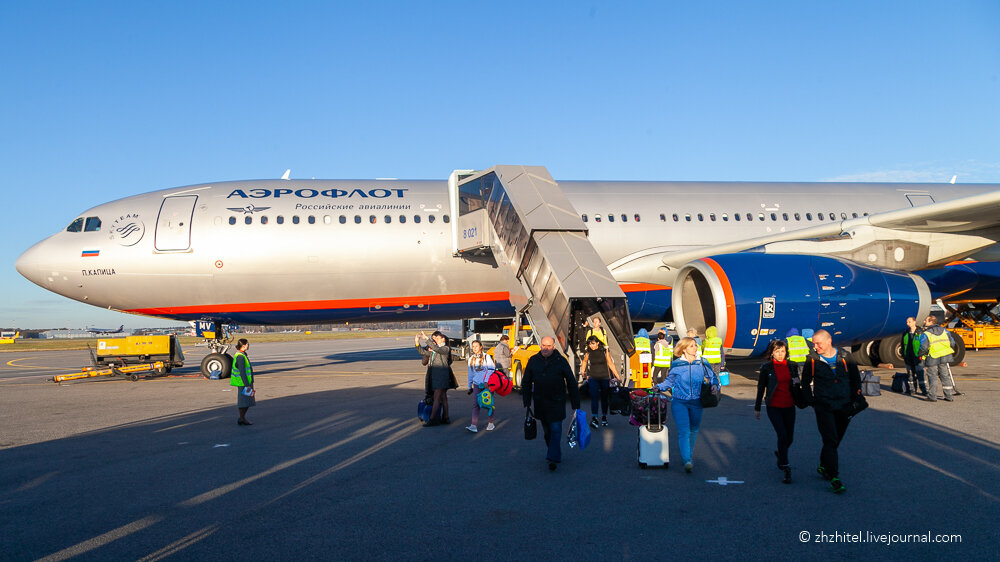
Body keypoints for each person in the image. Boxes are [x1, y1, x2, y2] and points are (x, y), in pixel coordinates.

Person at [800, 329, 861, 494]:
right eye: (813, 343)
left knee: (834, 440)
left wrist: (855, 399)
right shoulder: (812, 360)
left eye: (818, 343)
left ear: (829, 341)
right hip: (823, 406)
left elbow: (855, 379)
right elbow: (805, 383)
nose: (815, 346)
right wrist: (811, 401)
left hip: (844, 405)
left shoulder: (846, 357)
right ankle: (834, 477)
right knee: (830, 439)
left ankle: (823, 464)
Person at [654, 337, 720, 473]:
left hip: (697, 402)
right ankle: (687, 460)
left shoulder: (702, 362)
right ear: (684, 349)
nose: (695, 348)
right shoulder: (677, 364)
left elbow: (713, 377)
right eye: (691, 346)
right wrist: (658, 387)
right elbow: (669, 382)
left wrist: (714, 385)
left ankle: (688, 456)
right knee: (684, 431)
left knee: (694, 430)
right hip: (679, 402)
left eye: (695, 345)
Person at [522, 336, 581, 471]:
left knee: (555, 429)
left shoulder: (561, 361)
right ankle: (555, 452)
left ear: (554, 347)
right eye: (543, 345)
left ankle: (552, 457)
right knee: (547, 432)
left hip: (557, 402)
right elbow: (526, 382)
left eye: (549, 346)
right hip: (540, 402)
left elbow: (571, 382)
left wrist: (575, 404)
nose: (546, 348)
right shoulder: (533, 360)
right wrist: (527, 402)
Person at [755, 340, 800, 484]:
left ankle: (781, 453)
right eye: (777, 351)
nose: (780, 355)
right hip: (773, 405)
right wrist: (757, 407)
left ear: (786, 352)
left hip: (789, 405)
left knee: (790, 438)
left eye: (782, 351)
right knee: (782, 434)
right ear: (772, 353)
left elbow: (798, 384)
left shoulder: (792, 366)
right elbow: (761, 387)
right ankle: (786, 467)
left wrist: (797, 383)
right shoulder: (767, 368)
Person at [579, 335, 621, 429]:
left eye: (593, 343)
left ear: (597, 343)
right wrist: (583, 371)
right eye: (590, 344)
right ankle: (594, 417)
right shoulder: (588, 352)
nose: (591, 346)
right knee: (594, 398)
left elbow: (610, 363)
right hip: (593, 378)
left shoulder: (604, 351)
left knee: (604, 398)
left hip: (604, 377)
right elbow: (585, 361)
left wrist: (618, 376)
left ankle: (604, 416)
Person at [415, 330, 454, 426]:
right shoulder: (435, 350)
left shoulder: (445, 349)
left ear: (443, 339)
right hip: (437, 377)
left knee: (437, 397)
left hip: (441, 377)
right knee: (443, 397)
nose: (435, 340)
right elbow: (423, 352)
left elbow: (436, 349)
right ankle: (446, 417)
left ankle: (432, 419)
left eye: (437, 338)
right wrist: (417, 343)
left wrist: (427, 339)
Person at [919, 316, 957, 402]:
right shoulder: (945, 331)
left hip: (932, 356)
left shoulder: (927, 333)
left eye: (926, 320)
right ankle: (949, 396)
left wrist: (920, 354)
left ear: (931, 322)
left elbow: (924, 347)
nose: (924, 321)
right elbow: (952, 343)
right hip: (945, 356)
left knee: (932, 376)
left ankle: (932, 396)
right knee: (944, 375)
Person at [466, 340, 497, 433]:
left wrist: (486, 381)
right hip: (476, 385)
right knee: (476, 404)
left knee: (489, 404)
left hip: (487, 385)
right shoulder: (471, 359)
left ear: (481, 347)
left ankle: (491, 423)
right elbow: (470, 374)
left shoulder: (487, 357)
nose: (474, 348)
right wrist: (469, 386)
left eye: (476, 346)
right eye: (473, 346)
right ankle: (473, 425)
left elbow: (491, 369)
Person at [230, 338, 256, 426]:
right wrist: (247, 385)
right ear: (244, 345)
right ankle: (242, 418)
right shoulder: (240, 356)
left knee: (248, 401)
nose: (248, 345)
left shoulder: (242, 354)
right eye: (247, 344)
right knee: (245, 401)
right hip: (243, 383)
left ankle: (242, 418)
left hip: (245, 382)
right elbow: (242, 372)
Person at [901, 317, 927, 396]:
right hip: (908, 356)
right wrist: (903, 354)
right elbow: (902, 344)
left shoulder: (920, 332)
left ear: (914, 322)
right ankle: (912, 389)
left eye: (909, 322)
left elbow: (924, 345)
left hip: (917, 357)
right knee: (910, 374)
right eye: (907, 322)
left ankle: (924, 390)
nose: (907, 323)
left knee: (920, 374)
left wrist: (921, 355)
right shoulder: (906, 332)